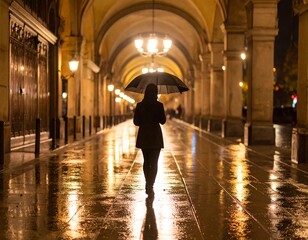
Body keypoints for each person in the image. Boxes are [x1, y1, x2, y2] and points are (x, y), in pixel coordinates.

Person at [133, 84, 166, 196]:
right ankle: (151, 184)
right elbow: (163, 121)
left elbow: (136, 122)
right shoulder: (159, 105)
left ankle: (147, 183)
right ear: (156, 92)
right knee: (154, 162)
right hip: (156, 136)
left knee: (146, 161)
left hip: (144, 136)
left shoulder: (140, 105)